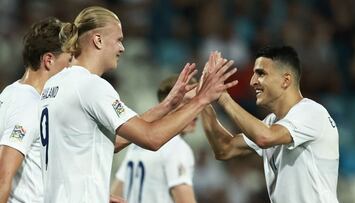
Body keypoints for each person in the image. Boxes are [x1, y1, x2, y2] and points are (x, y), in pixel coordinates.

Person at [39, 6, 238, 203]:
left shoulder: (55, 84)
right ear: (98, 40)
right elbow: (152, 139)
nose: (122, 48)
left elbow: (110, 143)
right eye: (118, 40)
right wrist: (202, 98)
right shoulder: (92, 87)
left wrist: (167, 105)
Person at [201, 46, 339, 203]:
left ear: (285, 80)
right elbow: (225, 149)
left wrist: (224, 98)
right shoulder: (272, 122)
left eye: (261, 73)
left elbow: (265, 137)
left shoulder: (311, 112)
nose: (253, 81)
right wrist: (203, 102)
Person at [0, 17, 72, 203]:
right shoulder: (29, 104)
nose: (72, 68)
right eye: (69, 60)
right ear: (48, 60)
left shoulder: (11, 93)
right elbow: (2, 178)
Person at [112, 75, 198, 203]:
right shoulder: (177, 147)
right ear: (170, 103)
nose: (195, 112)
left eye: (195, 102)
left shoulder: (137, 144)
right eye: (186, 102)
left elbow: (115, 192)